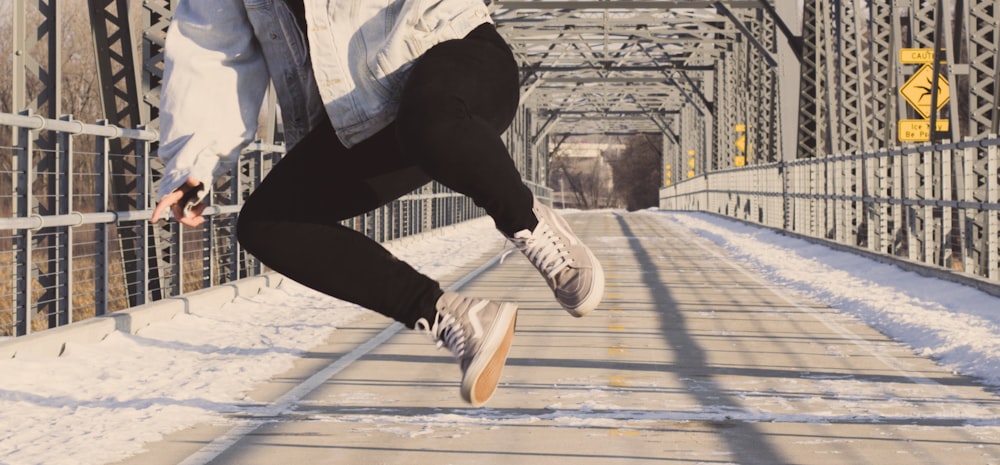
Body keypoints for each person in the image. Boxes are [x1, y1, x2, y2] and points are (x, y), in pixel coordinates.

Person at [149, 0, 604, 407]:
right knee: (267, 223)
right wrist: (194, 162)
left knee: (429, 120)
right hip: (368, 115)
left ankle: (534, 228)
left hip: (459, 57)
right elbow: (211, 49)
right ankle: (454, 317)